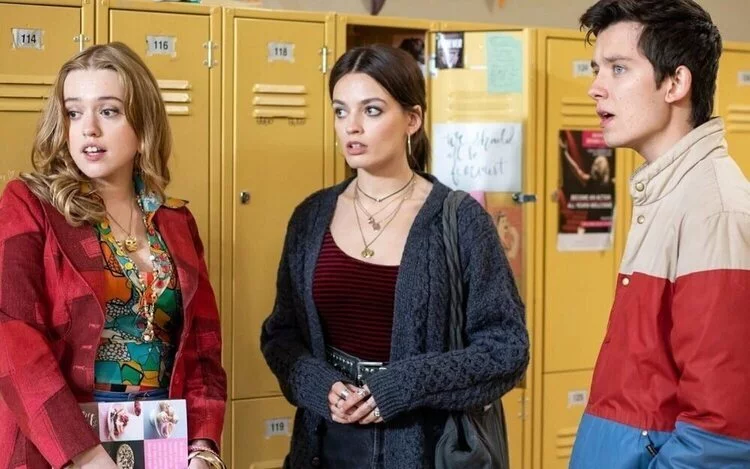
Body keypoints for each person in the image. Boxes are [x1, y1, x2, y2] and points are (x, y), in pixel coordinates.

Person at [261, 44, 529, 468]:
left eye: (371, 110)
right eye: (340, 111)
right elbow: (281, 334)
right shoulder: (310, 218)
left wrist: (404, 385)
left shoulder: (460, 220)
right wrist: (318, 384)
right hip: (325, 445)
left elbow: (506, 349)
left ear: (412, 119)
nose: (352, 126)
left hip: (424, 448)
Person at [0, 42, 227, 468]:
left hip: (162, 438)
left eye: (108, 111)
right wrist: (85, 456)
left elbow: (203, 352)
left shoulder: (175, 220)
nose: (88, 129)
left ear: (144, 126)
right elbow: (11, 340)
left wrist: (202, 450)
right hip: (61, 446)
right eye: (73, 112)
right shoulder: (30, 205)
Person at [570, 1, 750, 467]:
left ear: (675, 83)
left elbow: (721, 431)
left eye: (618, 69)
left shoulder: (713, 209)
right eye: (596, 69)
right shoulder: (668, 193)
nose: (595, 88)